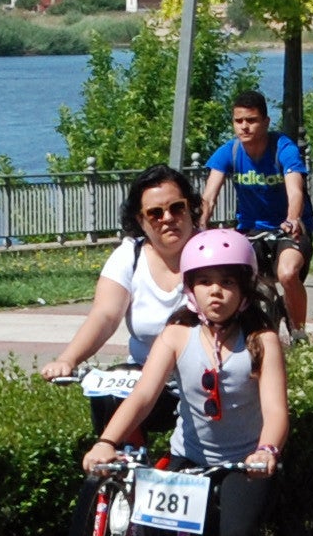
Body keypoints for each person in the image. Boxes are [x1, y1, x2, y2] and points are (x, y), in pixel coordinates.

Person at [84, 227, 289, 536]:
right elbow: (142, 395)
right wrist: (108, 440)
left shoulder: (262, 340)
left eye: (229, 282)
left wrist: (266, 450)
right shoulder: (178, 333)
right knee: (157, 530)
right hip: (189, 459)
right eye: (205, 281)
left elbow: (276, 410)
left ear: (244, 288)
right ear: (190, 288)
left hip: (244, 464)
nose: (217, 291)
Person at [43, 164, 202, 383]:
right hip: (143, 376)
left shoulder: (213, 252)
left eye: (176, 208)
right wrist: (68, 360)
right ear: (140, 220)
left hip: (205, 376)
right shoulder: (129, 256)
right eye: (155, 213)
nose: (167, 218)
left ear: (190, 207)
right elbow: (105, 316)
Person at [200, 88, 311, 306]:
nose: (244, 126)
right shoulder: (228, 152)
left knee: (287, 275)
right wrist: (201, 225)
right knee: (244, 283)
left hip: (288, 229)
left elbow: (295, 191)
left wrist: (292, 218)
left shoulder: (283, 149)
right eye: (238, 120)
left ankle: (299, 334)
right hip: (250, 229)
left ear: (266, 121)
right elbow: (209, 197)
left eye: (251, 120)